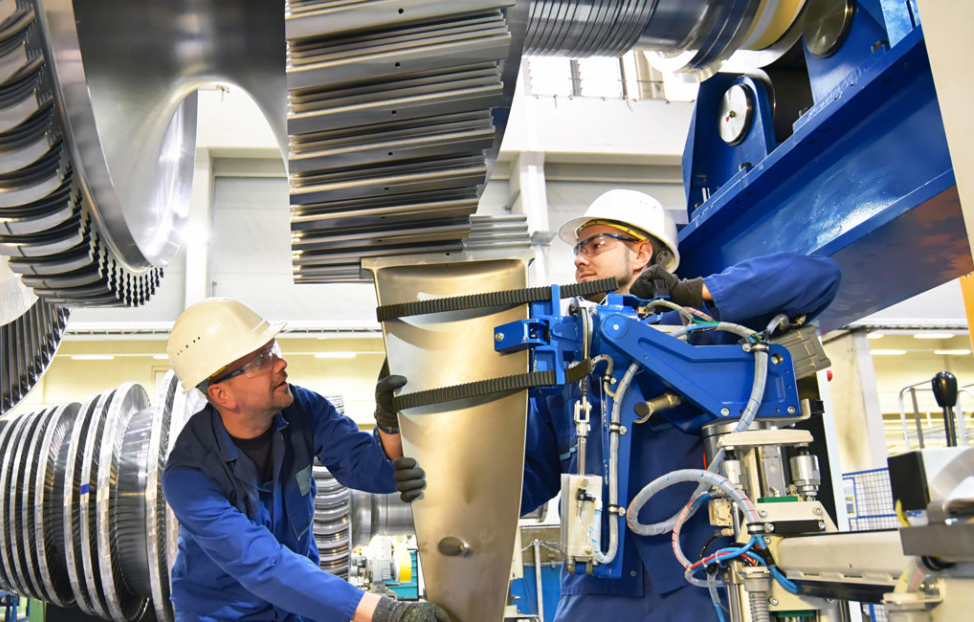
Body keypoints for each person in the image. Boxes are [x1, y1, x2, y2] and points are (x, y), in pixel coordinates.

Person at [521, 189, 842, 621]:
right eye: (578, 249)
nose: (579, 259)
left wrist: (697, 293)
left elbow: (818, 277)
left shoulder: (700, 333)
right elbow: (524, 483)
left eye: (595, 245)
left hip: (697, 579)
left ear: (641, 253)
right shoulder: (569, 370)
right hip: (594, 587)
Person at [161, 297, 451, 622]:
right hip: (223, 615)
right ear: (221, 394)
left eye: (273, 349)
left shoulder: (302, 409)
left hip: (297, 606)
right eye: (260, 360)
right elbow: (262, 564)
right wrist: (385, 613)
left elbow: (368, 469)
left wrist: (390, 421)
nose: (280, 363)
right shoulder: (188, 477)